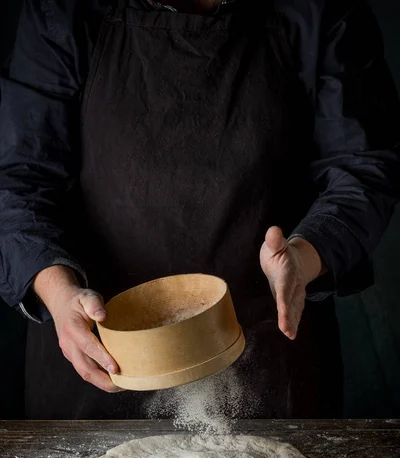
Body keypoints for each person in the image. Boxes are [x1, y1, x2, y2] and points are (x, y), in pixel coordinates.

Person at [0, 0, 399, 419]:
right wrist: (58, 293)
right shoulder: (62, 11)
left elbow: (362, 165)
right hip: (99, 362)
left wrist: (305, 256)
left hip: (268, 353)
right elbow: (18, 177)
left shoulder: (320, 10)